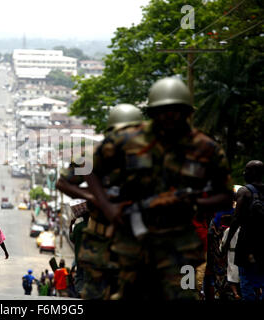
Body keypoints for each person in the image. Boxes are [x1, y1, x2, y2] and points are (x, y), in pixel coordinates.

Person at [85, 77, 233, 300]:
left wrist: (191, 202)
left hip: (183, 244)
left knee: (185, 295)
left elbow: (225, 195)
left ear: (187, 112)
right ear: (153, 113)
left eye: (176, 110)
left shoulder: (205, 148)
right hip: (135, 242)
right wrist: (107, 207)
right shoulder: (129, 140)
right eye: (163, 111)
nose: (169, 117)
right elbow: (91, 170)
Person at [56, 103, 143, 300]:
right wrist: (98, 198)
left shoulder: (148, 158)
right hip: (100, 241)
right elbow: (63, 183)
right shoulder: (92, 157)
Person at [222, 160, 264, 301]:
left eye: (246, 170)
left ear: (253, 173)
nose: (243, 173)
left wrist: (227, 243)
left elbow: (236, 220)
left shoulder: (244, 191)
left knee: (246, 281)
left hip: (247, 245)